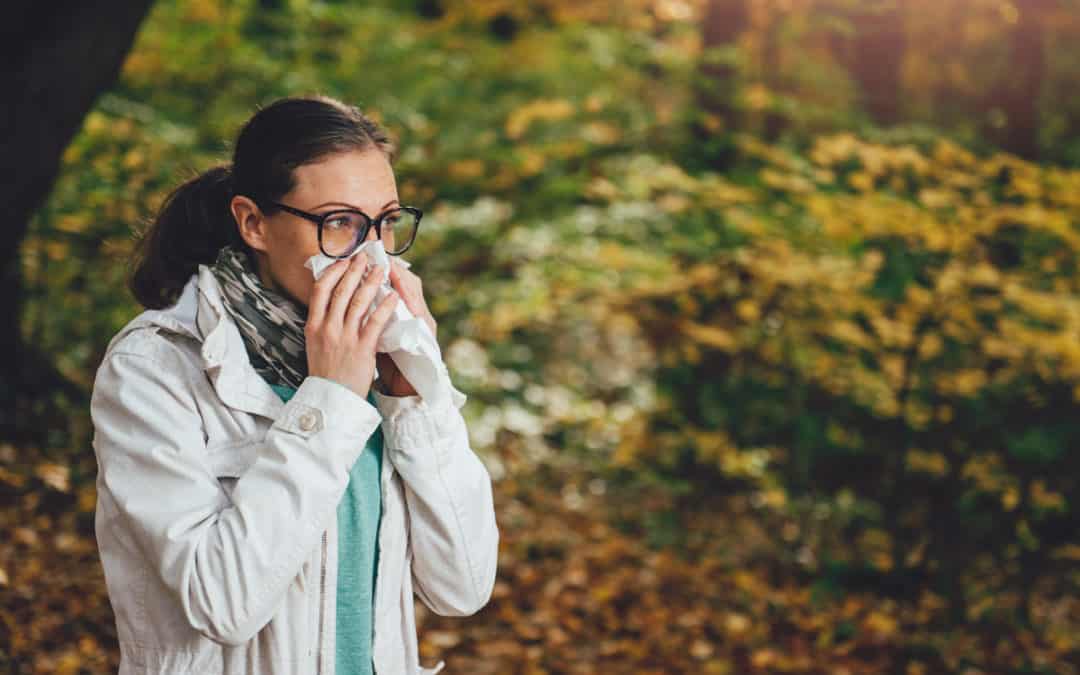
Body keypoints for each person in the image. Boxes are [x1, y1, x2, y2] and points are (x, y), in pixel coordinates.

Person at [89, 94, 499, 675]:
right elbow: (222, 604)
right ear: (254, 222)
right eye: (340, 224)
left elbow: (463, 587)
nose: (372, 256)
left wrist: (414, 401)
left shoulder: (385, 362)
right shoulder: (156, 365)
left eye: (384, 223)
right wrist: (331, 398)